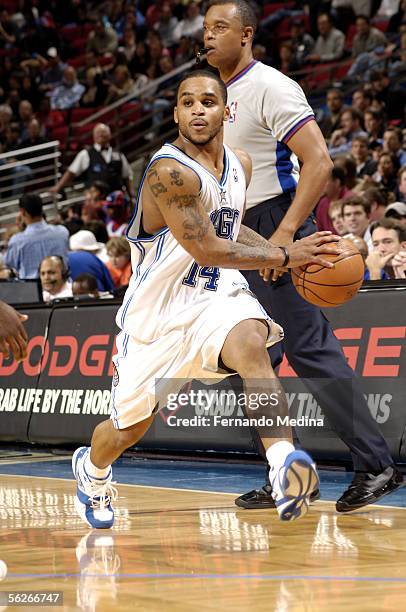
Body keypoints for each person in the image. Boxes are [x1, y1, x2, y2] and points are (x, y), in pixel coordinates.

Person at [71, 69, 342, 529]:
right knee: (126, 430)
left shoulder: (241, 163)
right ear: (176, 113)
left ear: (225, 111)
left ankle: (282, 465)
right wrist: (282, 252)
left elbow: (228, 227)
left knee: (253, 344)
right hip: (160, 316)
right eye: (188, 102)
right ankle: (92, 472)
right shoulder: (168, 172)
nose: (199, 109)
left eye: (209, 101)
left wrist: (281, 254)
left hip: (217, 296)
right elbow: (205, 245)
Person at [204, 0, 403, 513]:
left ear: (246, 34)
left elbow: (319, 163)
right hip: (239, 230)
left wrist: (285, 239)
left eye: (219, 27)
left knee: (309, 350)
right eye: (205, 28)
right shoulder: (215, 96)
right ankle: (283, 473)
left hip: (277, 223)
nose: (207, 36)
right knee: (253, 358)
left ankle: (376, 465)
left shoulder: (270, 85)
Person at [50, 124, 134, 204]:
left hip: (116, 200)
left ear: (110, 135)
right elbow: (71, 172)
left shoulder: (119, 155)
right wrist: (58, 187)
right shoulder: (85, 154)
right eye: (98, 132)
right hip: (95, 201)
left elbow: (127, 177)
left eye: (104, 132)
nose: (101, 134)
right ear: (93, 136)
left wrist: (132, 197)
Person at [5, 194, 69, 279]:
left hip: (32, 289)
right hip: (62, 285)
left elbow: (10, 264)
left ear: (22, 212)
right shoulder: (62, 232)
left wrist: (21, 232)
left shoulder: (17, 241)